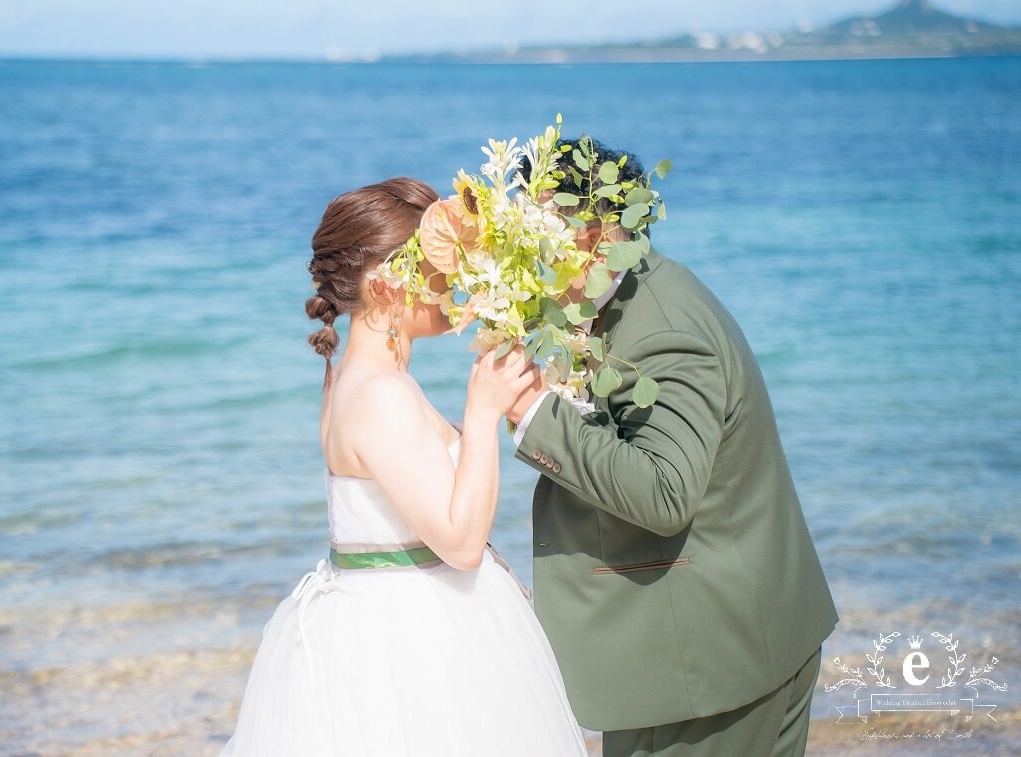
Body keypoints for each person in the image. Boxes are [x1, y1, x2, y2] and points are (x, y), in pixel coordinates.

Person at [477, 138, 840, 757]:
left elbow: (665, 492)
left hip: (710, 668)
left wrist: (535, 412)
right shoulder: (621, 296)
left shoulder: (662, 332)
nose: (530, 254)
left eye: (542, 234)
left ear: (598, 232)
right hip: (727, 650)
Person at [220, 177, 587, 756]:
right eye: (442, 264)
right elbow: (462, 545)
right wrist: (483, 410)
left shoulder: (363, 380)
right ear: (388, 281)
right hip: (410, 643)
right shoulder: (378, 394)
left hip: (401, 618)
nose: (457, 280)